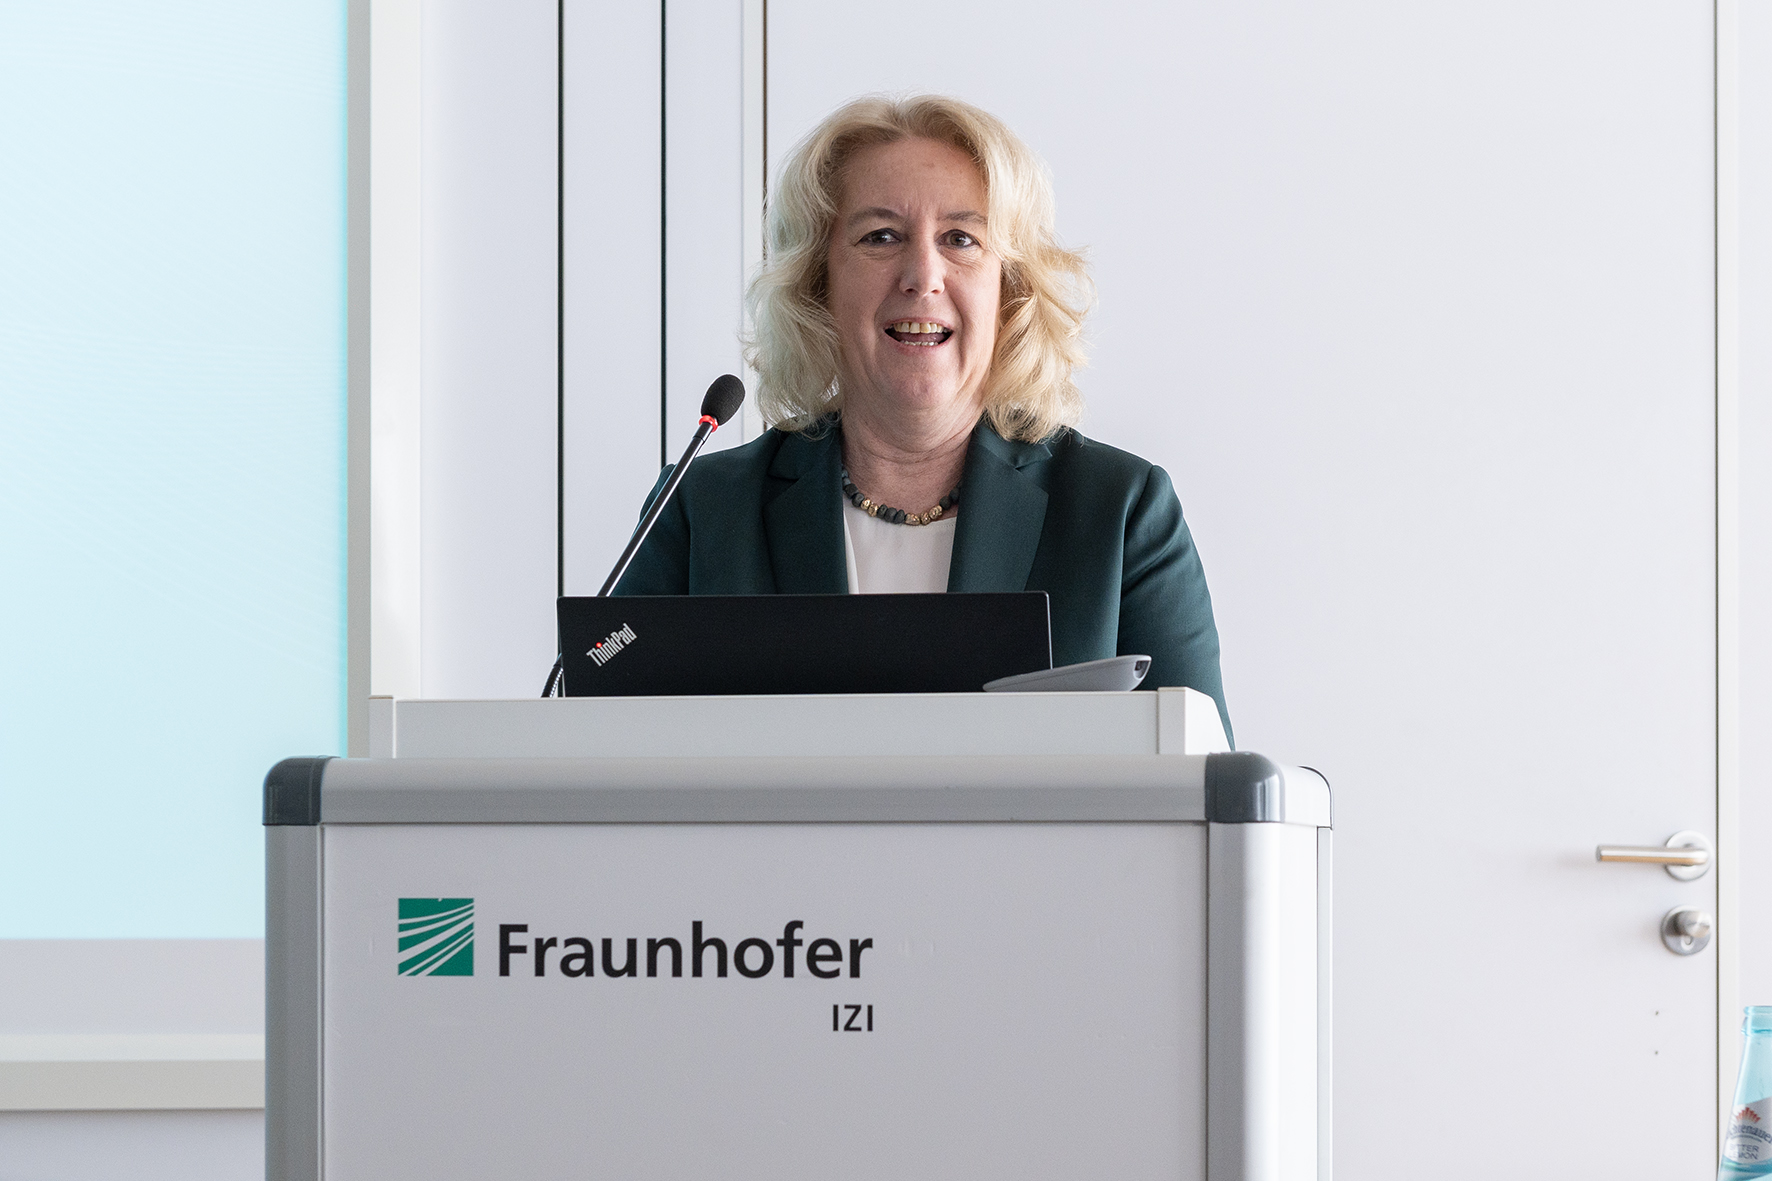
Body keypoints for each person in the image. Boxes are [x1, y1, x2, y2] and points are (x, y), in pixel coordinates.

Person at [615, 94, 1230, 739]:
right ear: (818, 281)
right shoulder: (697, 509)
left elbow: (1207, 795)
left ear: (1010, 288)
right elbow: (598, 750)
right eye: (880, 236)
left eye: (961, 239)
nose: (922, 275)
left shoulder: (1122, 511)